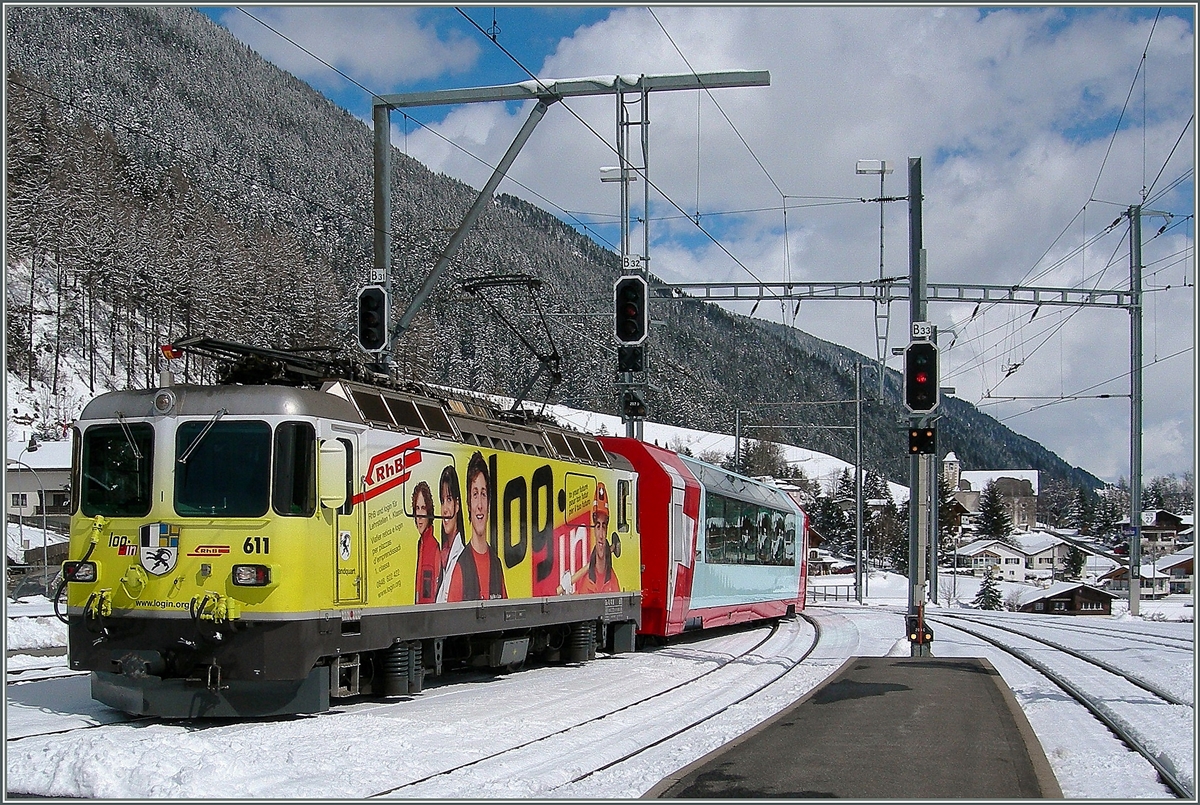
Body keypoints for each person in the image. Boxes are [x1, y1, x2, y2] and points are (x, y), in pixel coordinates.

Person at [446, 451, 507, 601]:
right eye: (475, 495)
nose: (479, 505)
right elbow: (450, 621)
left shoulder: (496, 565)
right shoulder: (460, 568)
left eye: (483, 494)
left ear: (489, 502)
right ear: (468, 504)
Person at [563, 481, 621, 594]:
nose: (600, 535)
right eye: (597, 526)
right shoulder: (587, 581)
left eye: (603, 527)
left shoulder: (613, 582)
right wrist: (566, 594)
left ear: (607, 530)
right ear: (594, 529)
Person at [434, 463, 466, 603]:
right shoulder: (443, 557)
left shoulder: (463, 558)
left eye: (449, 499)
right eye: (442, 501)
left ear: (457, 505)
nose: (445, 509)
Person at [411, 481, 439, 603]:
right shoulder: (421, 543)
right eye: (417, 508)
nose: (420, 516)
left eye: (423, 508)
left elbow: (428, 595)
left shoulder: (432, 547)